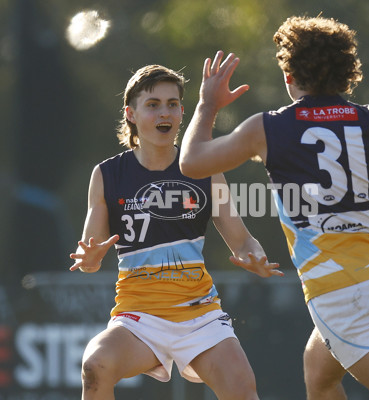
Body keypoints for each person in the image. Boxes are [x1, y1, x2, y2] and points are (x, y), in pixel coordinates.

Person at [179, 16, 369, 400]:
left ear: (288, 77)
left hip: (341, 290)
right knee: (319, 376)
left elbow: (192, 162)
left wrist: (207, 105)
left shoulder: (267, 127)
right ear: (349, 75)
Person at [69, 64, 282, 400]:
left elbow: (241, 238)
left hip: (200, 315)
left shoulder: (205, 169)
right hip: (138, 318)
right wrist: (90, 259)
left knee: (242, 388)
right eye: (152, 104)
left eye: (172, 104)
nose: (164, 112)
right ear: (131, 114)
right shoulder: (107, 174)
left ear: (183, 112)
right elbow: (90, 259)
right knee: (96, 366)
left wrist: (253, 255)